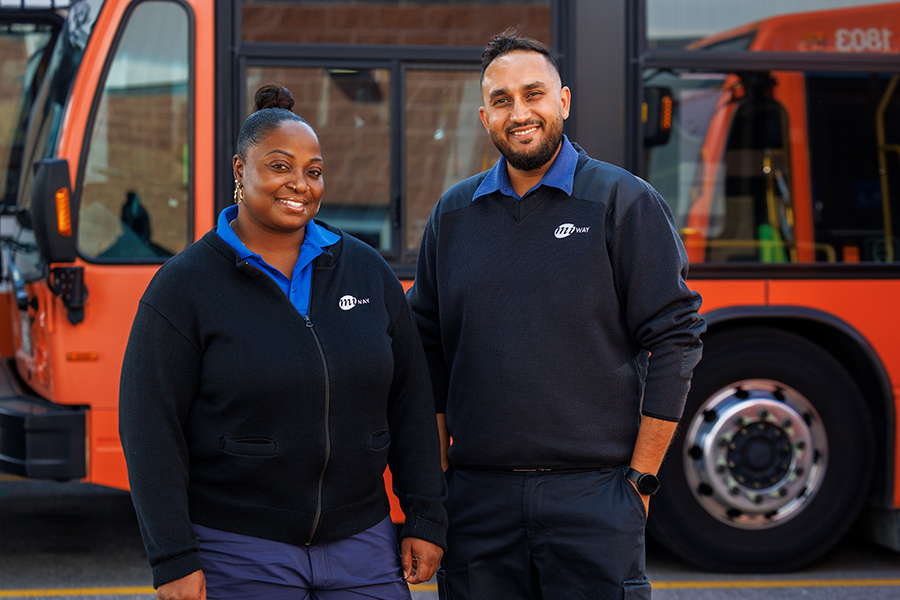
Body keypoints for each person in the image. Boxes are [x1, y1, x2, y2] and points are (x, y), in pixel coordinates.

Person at [406, 29, 705, 600]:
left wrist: (640, 481)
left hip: (595, 499)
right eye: (502, 100)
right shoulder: (453, 214)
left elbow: (676, 337)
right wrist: (439, 485)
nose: (519, 112)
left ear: (562, 101)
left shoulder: (623, 201)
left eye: (533, 94)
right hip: (478, 503)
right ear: (484, 116)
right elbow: (428, 349)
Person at [120, 84, 447, 600]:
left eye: (313, 171)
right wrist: (173, 557)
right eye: (279, 166)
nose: (300, 184)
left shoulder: (365, 271)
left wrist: (426, 515)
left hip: (363, 542)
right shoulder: (183, 287)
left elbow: (411, 400)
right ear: (239, 170)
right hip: (238, 548)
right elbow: (148, 428)